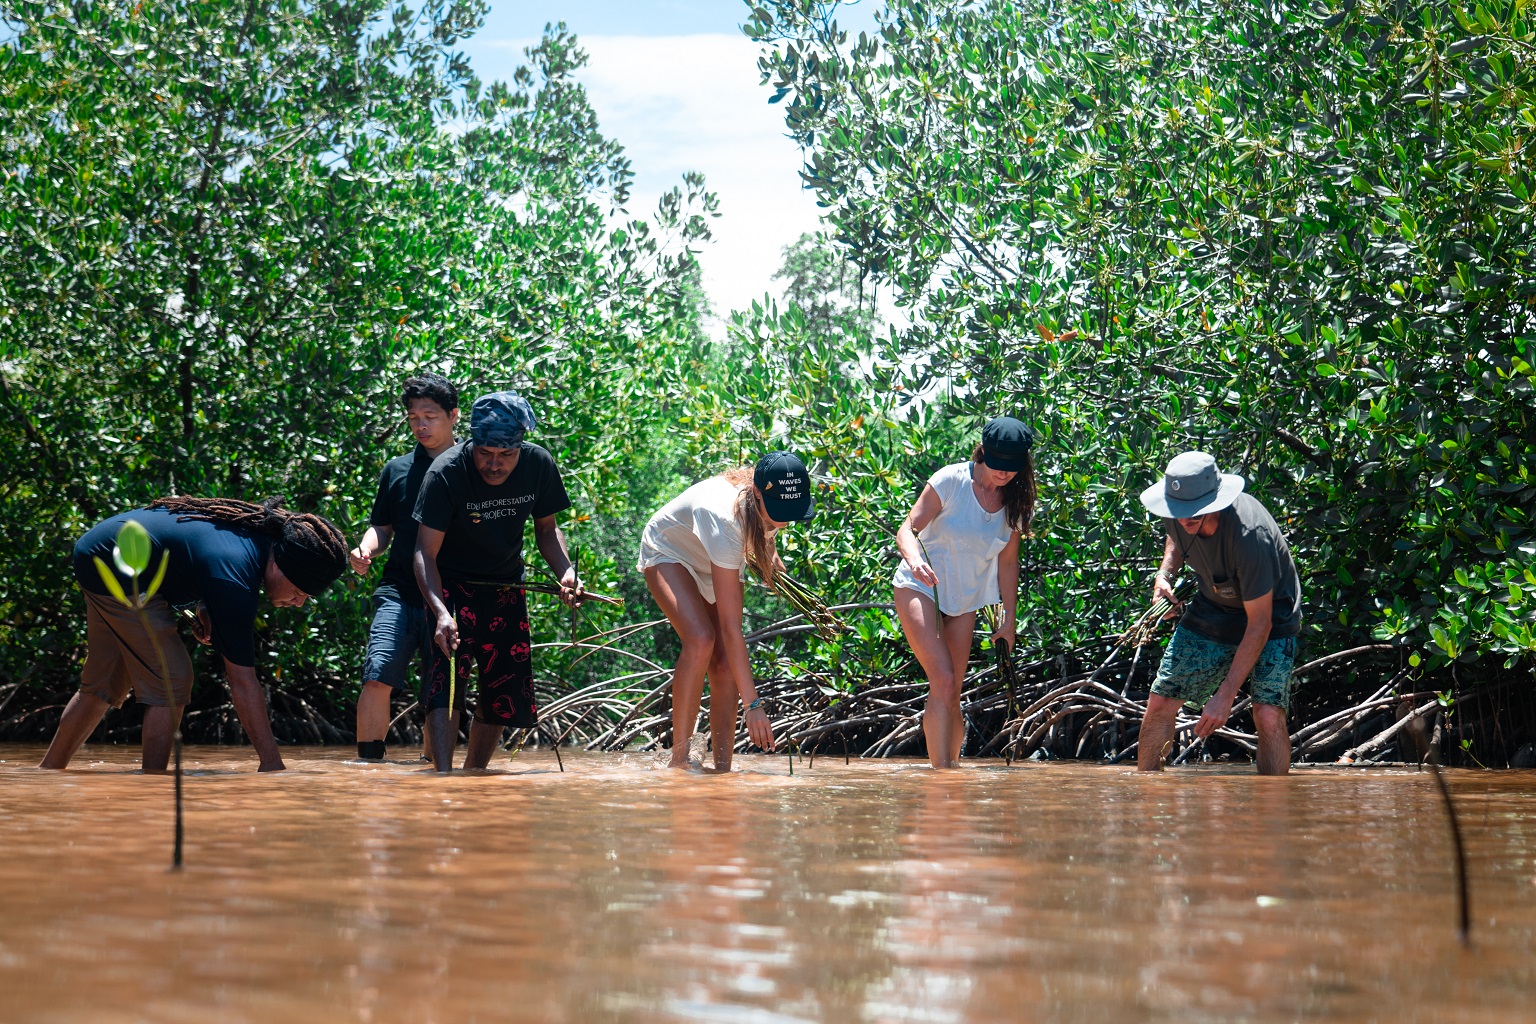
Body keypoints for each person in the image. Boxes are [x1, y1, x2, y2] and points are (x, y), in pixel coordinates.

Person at [41, 497, 348, 773]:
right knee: (172, 678)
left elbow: (186, 553)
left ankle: (48, 772)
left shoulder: (254, 543)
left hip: (100, 550)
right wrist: (272, 765)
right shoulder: (235, 572)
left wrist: (198, 605)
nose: (299, 602)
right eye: (299, 592)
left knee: (105, 682)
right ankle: (154, 786)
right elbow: (242, 682)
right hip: (116, 562)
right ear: (281, 567)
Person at [413, 390, 583, 772]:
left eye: (505, 455)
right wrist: (440, 612)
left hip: (505, 586)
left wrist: (566, 572)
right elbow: (424, 552)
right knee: (446, 681)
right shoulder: (446, 472)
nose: (494, 464)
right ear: (472, 441)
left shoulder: (538, 464)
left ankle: (474, 775)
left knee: (503, 689)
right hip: (450, 587)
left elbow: (546, 530)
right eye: (485, 453)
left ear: (521, 446)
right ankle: (442, 778)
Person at [637, 451, 815, 770]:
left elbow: (767, 528)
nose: (785, 520)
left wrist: (770, 553)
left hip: (713, 556)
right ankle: (679, 762)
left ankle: (722, 771)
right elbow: (733, 630)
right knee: (702, 639)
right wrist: (753, 705)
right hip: (671, 550)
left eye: (792, 512)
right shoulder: (725, 519)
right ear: (758, 493)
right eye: (780, 512)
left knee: (722, 665)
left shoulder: (769, 502)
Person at [1134, 451, 1302, 775]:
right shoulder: (1178, 513)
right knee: (1160, 702)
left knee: (1267, 713)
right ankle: (1149, 797)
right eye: (1180, 512)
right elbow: (1174, 538)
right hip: (1215, 603)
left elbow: (1259, 624)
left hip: (1272, 614)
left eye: (1195, 512)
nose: (1186, 519)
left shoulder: (1249, 536)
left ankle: (1274, 808)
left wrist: (1224, 696)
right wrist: (1164, 578)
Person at [894, 417, 1036, 769]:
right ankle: (941, 776)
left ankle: (951, 771)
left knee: (952, 690)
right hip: (920, 586)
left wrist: (1009, 619)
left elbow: (1008, 564)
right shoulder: (951, 480)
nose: (1003, 474)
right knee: (942, 679)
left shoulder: (1017, 501)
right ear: (983, 452)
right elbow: (907, 529)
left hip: (966, 599)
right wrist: (914, 561)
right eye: (997, 465)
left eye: (1011, 468)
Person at [348, 372, 460, 762]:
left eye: (430, 415)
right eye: (414, 418)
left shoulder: (473, 468)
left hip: (452, 596)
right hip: (398, 590)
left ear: (454, 416)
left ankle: (434, 771)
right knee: (377, 675)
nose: (421, 424)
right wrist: (365, 549)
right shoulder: (396, 470)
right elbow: (382, 527)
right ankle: (368, 766)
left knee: (439, 686)